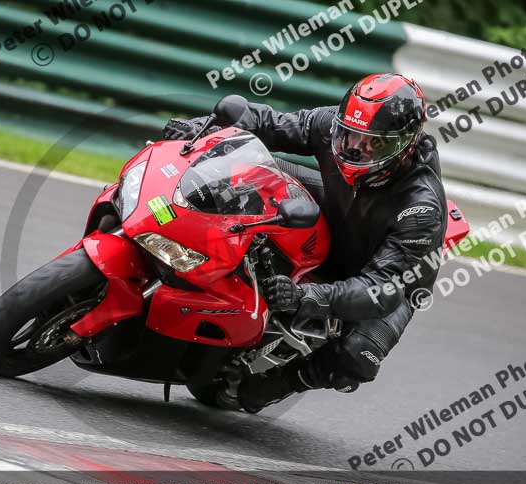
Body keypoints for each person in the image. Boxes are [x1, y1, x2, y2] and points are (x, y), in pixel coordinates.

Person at [163, 73, 448, 413]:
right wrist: (201, 129)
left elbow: (380, 289)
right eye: (350, 136)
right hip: (342, 210)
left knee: (359, 355)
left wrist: (305, 296)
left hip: (389, 277)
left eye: (374, 143)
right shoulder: (333, 126)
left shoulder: (420, 209)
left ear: (405, 143)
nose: (356, 148)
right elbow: (271, 123)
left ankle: (290, 379)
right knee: (247, 170)